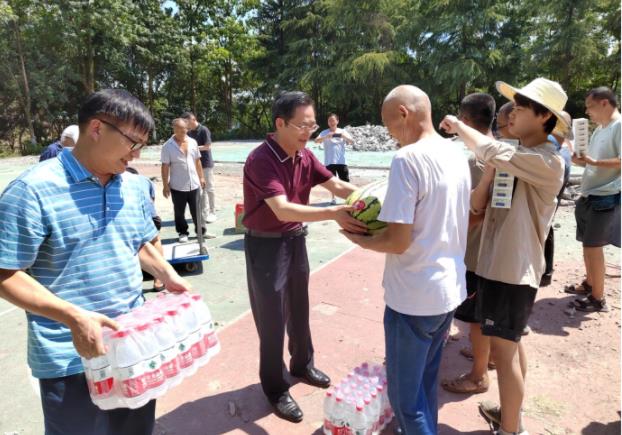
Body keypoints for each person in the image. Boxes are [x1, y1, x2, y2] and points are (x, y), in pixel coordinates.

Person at [0, 89, 191, 435]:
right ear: (97, 129)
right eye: (133, 143)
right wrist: (73, 317)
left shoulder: (133, 186)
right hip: (70, 358)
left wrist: (166, 272)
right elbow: (5, 273)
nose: (137, 154)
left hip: (132, 346)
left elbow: (135, 243)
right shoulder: (33, 190)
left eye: (143, 146)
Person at [440, 77, 567, 435]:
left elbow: (493, 151)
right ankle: (512, 412)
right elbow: (479, 203)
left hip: (512, 270)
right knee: (510, 345)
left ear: (545, 117)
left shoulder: (547, 161)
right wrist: (492, 168)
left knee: (505, 353)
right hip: (495, 264)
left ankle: (512, 429)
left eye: (523, 108)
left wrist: (461, 126)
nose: (513, 115)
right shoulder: (516, 158)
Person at [343, 85, 471, 434]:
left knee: (404, 401)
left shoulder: (407, 159)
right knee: (426, 384)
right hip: (448, 291)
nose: (390, 136)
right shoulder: (456, 153)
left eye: (389, 127)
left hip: (413, 297)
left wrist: (362, 240)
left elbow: (398, 241)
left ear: (403, 113)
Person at [243, 91, 366, 423]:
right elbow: (281, 209)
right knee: (271, 322)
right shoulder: (261, 159)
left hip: (295, 240)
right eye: (303, 125)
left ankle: (302, 364)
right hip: (266, 245)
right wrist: (334, 214)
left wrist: (368, 196)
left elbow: (335, 185)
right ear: (280, 123)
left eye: (312, 125)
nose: (309, 131)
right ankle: (275, 387)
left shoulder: (304, 154)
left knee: (299, 308)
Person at [442, 93, 496, 396]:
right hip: (488, 248)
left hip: (475, 251)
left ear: (463, 122)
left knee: (475, 318)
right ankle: (486, 357)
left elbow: (477, 213)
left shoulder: (477, 160)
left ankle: (478, 375)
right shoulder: (498, 150)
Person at [567, 86, 621, 312]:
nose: (587, 111)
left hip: (606, 195)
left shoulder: (619, 126)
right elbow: (594, 160)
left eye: (590, 106)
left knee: (593, 246)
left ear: (604, 103)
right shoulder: (601, 128)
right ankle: (590, 283)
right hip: (591, 194)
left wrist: (594, 163)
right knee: (587, 244)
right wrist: (583, 161)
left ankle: (598, 298)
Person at [541, 110, 573, 287]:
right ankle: (546, 272)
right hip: (552, 202)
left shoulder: (553, 150)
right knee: (548, 227)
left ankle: (544, 272)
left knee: (545, 228)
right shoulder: (564, 150)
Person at [161, 118, 207, 243]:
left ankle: (200, 232)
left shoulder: (193, 142)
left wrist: (201, 177)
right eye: (180, 131)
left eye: (185, 130)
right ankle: (182, 232)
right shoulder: (167, 146)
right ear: (174, 129)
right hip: (177, 185)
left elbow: (197, 161)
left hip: (194, 183)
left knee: (197, 210)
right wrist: (165, 185)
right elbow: (165, 167)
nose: (183, 133)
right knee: (179, 211)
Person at [126, 166, 166, 292]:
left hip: (132, 218)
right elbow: (151, 201)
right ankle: (159, 280)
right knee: (155, 240)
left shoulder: (119, 179)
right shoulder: (145, 180)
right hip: (151, 218)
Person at [182, 112, 217, 223]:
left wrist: (193, 148)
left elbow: (207, 147)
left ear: (193, 119)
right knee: (201, 190)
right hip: (195, 165)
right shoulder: (189, 132)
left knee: (209, 188)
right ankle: (204, 213)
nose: (186, 125)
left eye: (187, 122)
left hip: (206, 164)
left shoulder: (204, 130)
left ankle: (212, 212)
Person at [314, 113, 355, 204]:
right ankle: (333, 199)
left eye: (333, 120)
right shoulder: (324, 132)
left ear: (337, 121)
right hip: (329, 162)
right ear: (328, 122)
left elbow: (352, 141)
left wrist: (342, 136)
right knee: (332, 182)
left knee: (345, 181)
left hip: (342, 161)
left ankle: (348, 199)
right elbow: (316, 141)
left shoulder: (342, 131)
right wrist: (326, 137)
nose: (332, 122)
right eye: (329, 120)